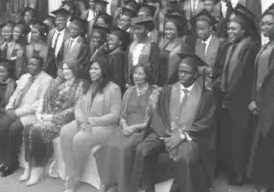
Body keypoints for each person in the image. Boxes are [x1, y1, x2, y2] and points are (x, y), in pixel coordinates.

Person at [130, 53, 216, 192]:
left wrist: (181, 136)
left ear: (195, 75)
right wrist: (167, 136)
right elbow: (159, 115)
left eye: (186, 72)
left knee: (185, 158)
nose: (182, 75)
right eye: (180, 71)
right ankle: (146, 188)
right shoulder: (168, 90)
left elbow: (205, 123)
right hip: (165, 133)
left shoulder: (206, 96)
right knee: (142, 150)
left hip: (190, 137)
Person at [20, 59, 89, 186]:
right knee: (28, 127)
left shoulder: (81, 85)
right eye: (64, 68)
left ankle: (38, 168)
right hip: (49, 116)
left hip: (64, 121)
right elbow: (46, 99)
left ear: (75, 69)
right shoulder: (59, 83)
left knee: (37, 131)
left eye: (68, 68)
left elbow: (75, 108)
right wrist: (41, 114)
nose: (65, 71)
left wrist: (52, 118)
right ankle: (28, 166)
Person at [59, 58, 122, 192]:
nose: (92, 71)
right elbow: (78, 108)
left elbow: (115, 115)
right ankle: (70, 174)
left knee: (79, 139)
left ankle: (75, 178)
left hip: (105, 126)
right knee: (64, 132)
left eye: (96, 69)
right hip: (84, 121)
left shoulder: (114, 88)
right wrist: (82, 122)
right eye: (91, 68)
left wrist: (90, 122)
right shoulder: (86, 85)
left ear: (103, 70)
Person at [96, 64, 160, 192]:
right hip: (125, 126)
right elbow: (122, 114)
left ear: (147, 75)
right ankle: (108, 183)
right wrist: (124, 125)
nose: (137, 76)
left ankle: (122, 187)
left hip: (142, 129)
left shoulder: (154, 93)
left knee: (123, 148)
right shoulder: (129, 91)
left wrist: (133, 128)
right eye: (135, 73)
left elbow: (151, 121)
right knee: (108, 145)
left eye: (141, 74)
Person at [0, 57, 53, 177]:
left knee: (13, 129)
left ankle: (11, 164)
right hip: (14, 110)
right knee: (0, 126)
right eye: (29, 64)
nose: (31, 67)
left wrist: (17, 112)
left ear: (41, 66)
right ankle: (1, 161)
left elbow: (40, 103)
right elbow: (15, 94)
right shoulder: (25, 77)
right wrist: (9, 107)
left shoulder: (47, 80)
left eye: (34, 65)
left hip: (30, 114)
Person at [217, 7, 260, 186]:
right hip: (229, 100)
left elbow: (244, 76)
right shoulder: (232, 46)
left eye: (234, 29)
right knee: (230, 138)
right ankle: (232, 169)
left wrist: (231, 97)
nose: (230, 32)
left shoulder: (250, 46)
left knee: (240, 139)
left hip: (240, 101)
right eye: (229, 28)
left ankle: (240, 174)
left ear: (244, 30)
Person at [247, 8, 274, 192]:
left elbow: (272, 79)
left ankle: (269, 185)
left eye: (269, 24)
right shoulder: (266, 45)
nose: (264, 27)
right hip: (259, 102)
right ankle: (262, 183)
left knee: (268, 144)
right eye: (262, 23)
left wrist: (259, 102)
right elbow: (256, 76)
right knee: (259, 144)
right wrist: (253, 99)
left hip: (270, 104)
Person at [127, 16, 160, 86]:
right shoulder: (131, 45)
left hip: (146, 84)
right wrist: (128, 80)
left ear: (147, 30)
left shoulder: (153, 46)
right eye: (135, 29)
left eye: (139, 29)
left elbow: (154, 67)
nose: (136, 31)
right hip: (131, 84)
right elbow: (126, 65)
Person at [156, 13, 185, 86]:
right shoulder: (164, 44)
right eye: (166, 29)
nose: (167, 32)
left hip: (174, 84)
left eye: (171, 29)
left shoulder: (183, 47)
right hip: (161, 83)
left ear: (178, 31)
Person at [47, 8, 71, 75]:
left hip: (62, 67)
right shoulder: (51, 33)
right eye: (59, 20)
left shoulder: (70, 34)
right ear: (55, 21)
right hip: (51, 66)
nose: (61, 22)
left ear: (66, 21)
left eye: (63, 20)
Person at [107, 28, 130, 93]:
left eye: (112, 40)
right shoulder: (120, 53)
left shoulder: (117, 54)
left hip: (115, 88)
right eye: (109, 40)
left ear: (120, 42)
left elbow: (117, 76)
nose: (109, 42)